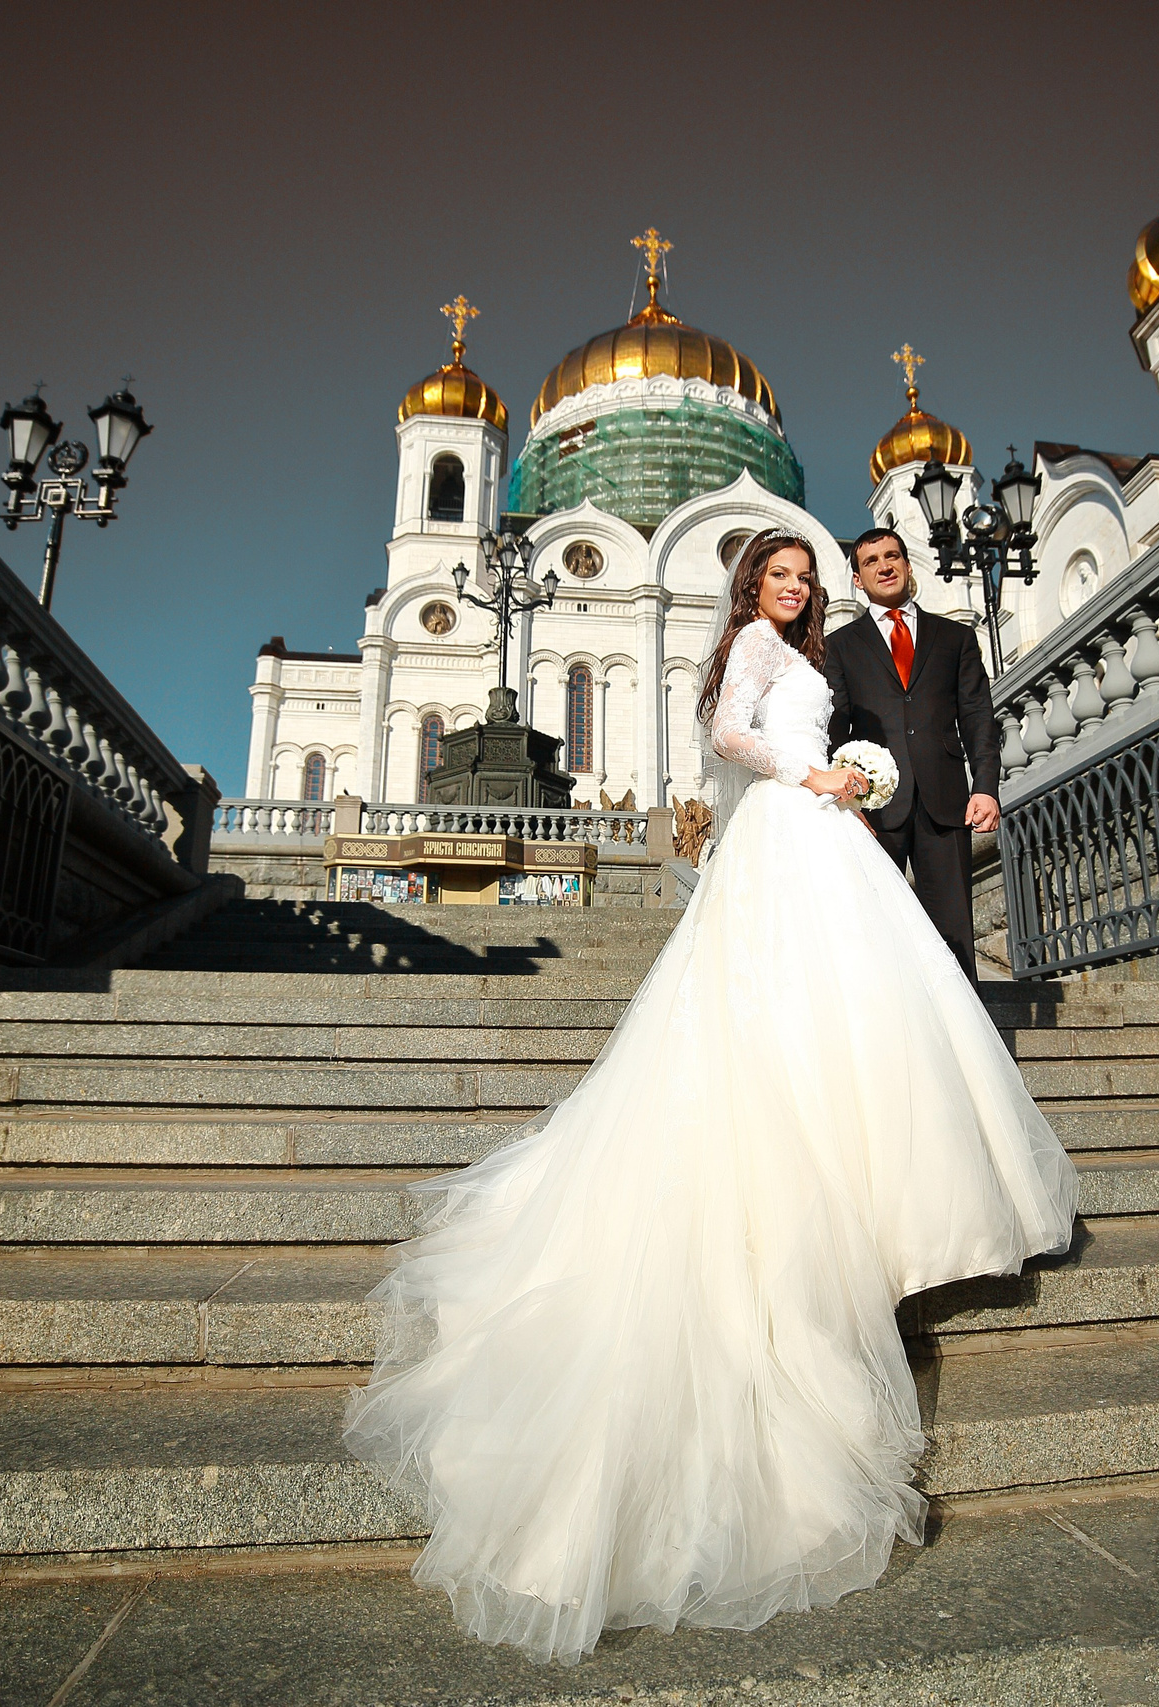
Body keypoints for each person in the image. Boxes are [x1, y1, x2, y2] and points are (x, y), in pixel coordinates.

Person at [344, 530, 1079, 1665]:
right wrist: (815, 775)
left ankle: (888, 1201)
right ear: (750, 587)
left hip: (822, 836)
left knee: (862, 1005)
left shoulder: (809, 652)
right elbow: (729, 734)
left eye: (802, 578)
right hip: (791, 830)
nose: (793, 588)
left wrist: (849, 780)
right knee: (791, 1011)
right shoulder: (751, 648)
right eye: (778, 577)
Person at [822, 526, 1003, 982]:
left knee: (952, 933)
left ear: (906, 564)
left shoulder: (955, 638)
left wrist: (985, 787)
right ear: (857, 579)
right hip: (874, 808)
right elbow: (834, 727)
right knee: (874, 928)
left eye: (892, 556)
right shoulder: (839, 646)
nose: (884, 566)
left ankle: (964, 1025)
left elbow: (978, 716)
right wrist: (845, 799)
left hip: (946, 802)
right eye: (871, 561)